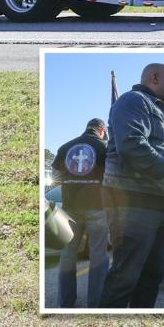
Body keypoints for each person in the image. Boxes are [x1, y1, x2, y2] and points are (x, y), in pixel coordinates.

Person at [99, 63, 164, 308]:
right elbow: (131, 145)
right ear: (154, 77)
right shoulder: (133, 101)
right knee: (125, 278)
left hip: (159, 205)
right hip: (134, 203)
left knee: (152, 277)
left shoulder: (163, 115)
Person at [51, 118, 109, 308]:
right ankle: (96, 302)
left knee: (68, 254)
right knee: (98, 255)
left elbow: (56, 177)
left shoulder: (65, 147)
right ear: (101, 130)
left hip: (70, 208)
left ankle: (65, 302)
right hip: (97, 207)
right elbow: (112, 177)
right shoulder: (105, 148)